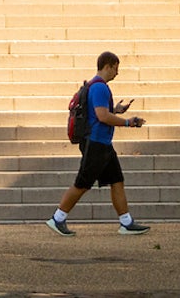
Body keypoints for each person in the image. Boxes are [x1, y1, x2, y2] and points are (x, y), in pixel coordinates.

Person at [47, 51, 150, 236]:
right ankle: (58, 218)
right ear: (108, 66)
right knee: (82, 183)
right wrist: (128, 122)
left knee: (117, 180)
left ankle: (126, 222)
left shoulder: (93, 85)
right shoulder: (101, 87)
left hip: (101, 143)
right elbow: (102, 116)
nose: (117, 73)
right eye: (116, 68)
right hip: (97, 143)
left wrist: (115, 110)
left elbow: (99, 113)